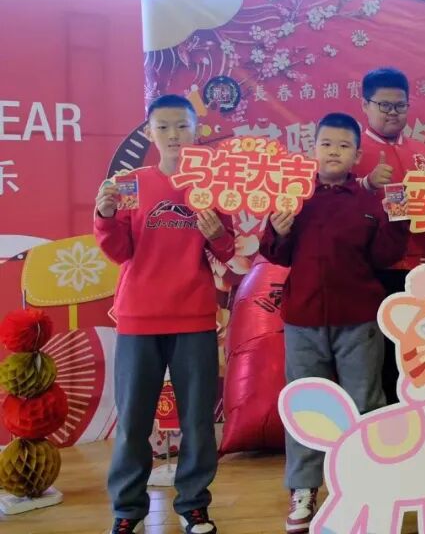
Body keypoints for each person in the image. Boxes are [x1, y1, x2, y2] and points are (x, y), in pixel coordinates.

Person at [260, 112, 409, 533]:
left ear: (357, 156)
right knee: (306, 407)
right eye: (326, 144)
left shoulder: (368, 201)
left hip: (358, 318)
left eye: (343, 146)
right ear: (313, 148)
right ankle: (304, 489)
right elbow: (274, 254)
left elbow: (383, 256)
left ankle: (370, 485)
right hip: (303, 319)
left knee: (366, 404)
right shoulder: (294, 196)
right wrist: (278, 231)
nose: (333, 152)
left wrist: (400, 220)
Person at [94, 94, 236, 534]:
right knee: (133, 421)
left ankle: (193, 505)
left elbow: (227, 250)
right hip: (139, 318)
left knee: (198, 421)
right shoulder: (130, 183)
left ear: (196, 130)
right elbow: (119, 251)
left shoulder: (210, 186)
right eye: (164, 127)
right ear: (149, 133)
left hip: (194, 317)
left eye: (182, 126)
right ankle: (127, 511)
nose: (174, 135)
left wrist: (217, 234)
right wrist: (105, 215)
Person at [354, 67, 425, 405]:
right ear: (365, 105)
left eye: (400, 105)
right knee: (379, 361)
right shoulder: (353, 151)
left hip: (422, 271)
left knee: (422, 358)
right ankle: (385, 427)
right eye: (384, 105)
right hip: (372, 273)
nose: (393, 113)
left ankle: (422, 423)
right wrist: (365, 184)